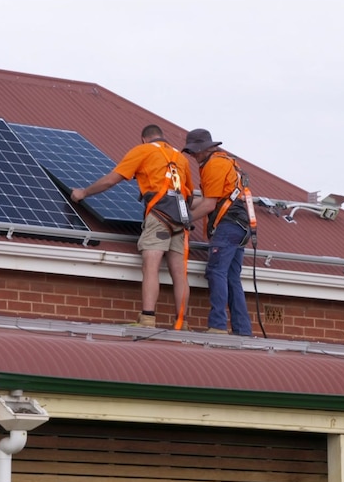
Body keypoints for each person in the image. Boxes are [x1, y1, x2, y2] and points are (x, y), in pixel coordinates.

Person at [71, 125, 195, 330]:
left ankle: (147, 318)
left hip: (159, 216)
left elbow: (112, 180)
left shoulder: (143, 150)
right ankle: (182, 322)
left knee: (151, 266)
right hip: (180, 219)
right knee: (180, 273)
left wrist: (84, 193)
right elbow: (188, 193)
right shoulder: (180, 157)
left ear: (144, 139)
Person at [183, 128, 253, 336]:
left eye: (195, 151)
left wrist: (182, 219)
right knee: (232, 277)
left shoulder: (214, 165)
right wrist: (183, 203)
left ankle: (218, 325)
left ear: (206, 149)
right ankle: (242, 329)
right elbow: (209, 200)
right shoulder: (225, 162)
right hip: (241, 226)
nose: (194, 156)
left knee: (216, 272)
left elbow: (208, 206)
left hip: (228, 225)